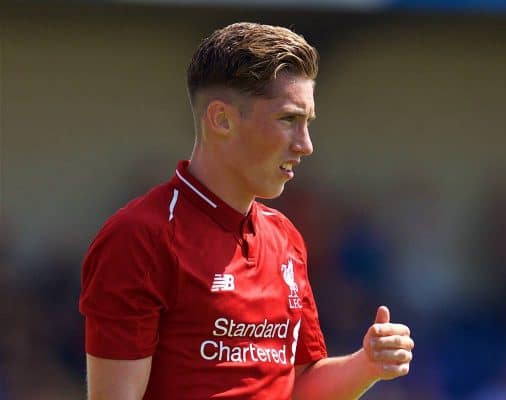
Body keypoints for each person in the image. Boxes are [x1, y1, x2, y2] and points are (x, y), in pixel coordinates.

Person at [79, 22, 414, 400]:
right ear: (221, 119)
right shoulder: (141, 237)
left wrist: (366, 364)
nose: (305, 145)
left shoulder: (284, 237)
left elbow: (298, 386)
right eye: (289, 119)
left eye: (308, 123)